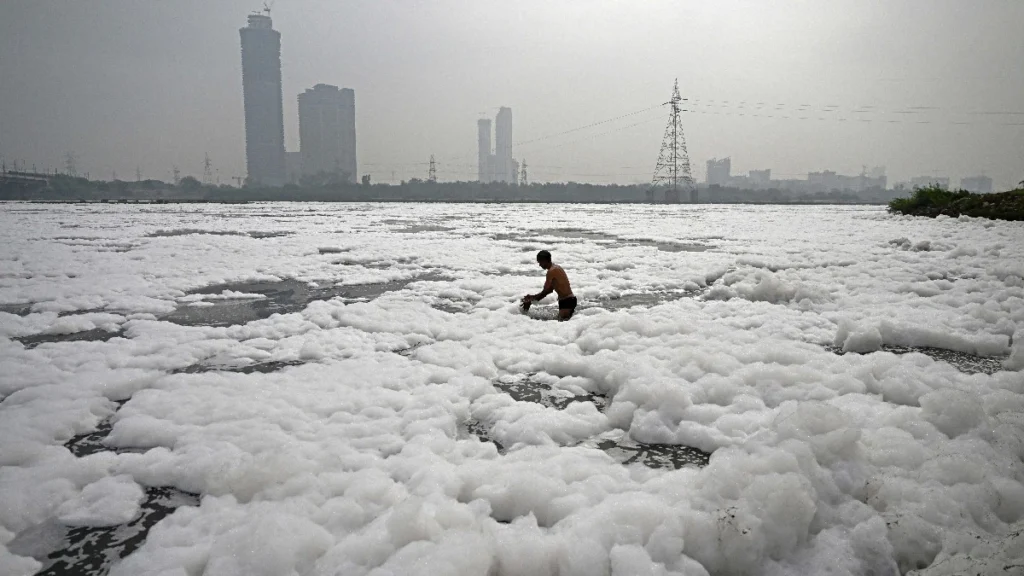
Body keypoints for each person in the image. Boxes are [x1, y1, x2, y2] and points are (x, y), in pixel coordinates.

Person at [522, 250, 577, 321]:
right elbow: (550, 290)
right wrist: (533, 298)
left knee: (562, 327)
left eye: (540, 262)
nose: (539, 265)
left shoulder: (551, 271)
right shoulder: (556, 268)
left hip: (567, 301)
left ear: (545, 260)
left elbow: (545, 291)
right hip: (569, 300)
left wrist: (531, 300)